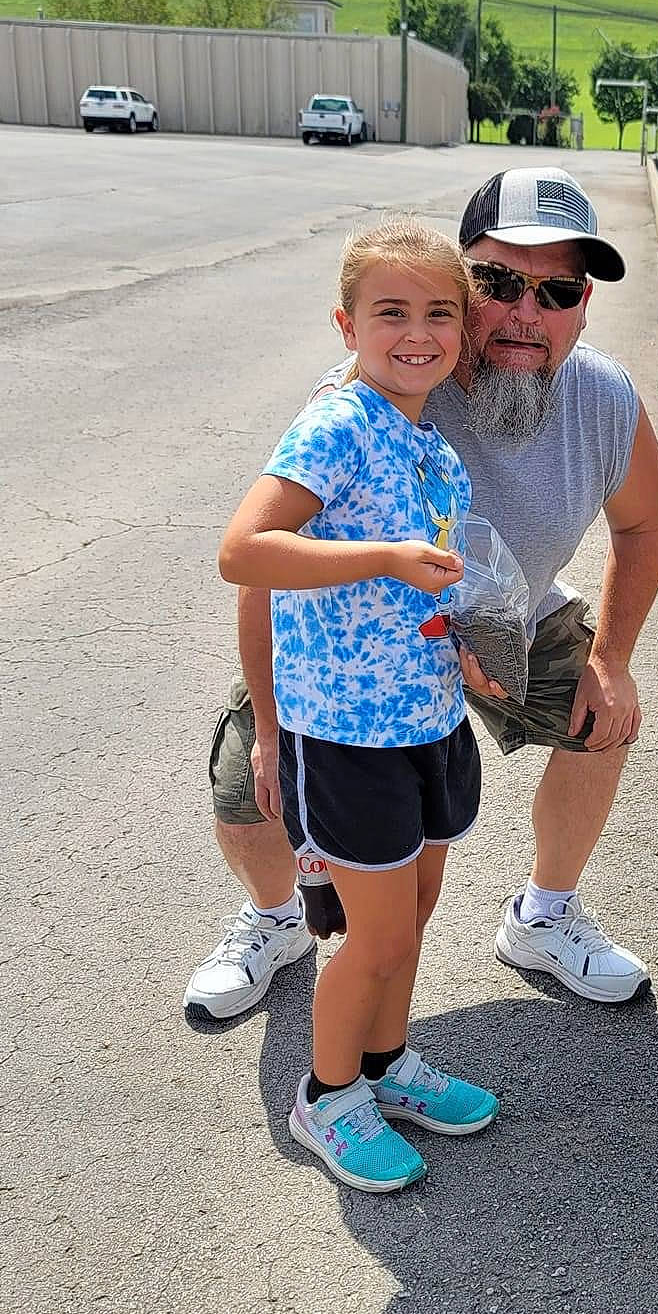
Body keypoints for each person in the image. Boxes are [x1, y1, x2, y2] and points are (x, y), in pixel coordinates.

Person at [185, 167, 658, 1020]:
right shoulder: (374, 392)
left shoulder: (605, 398)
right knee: (245, 783)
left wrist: (612, 658)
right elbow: (266, 562)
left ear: (583, 305)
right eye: (497, 282)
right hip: (355, 631)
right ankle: (278, 918)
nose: (527, 312)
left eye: (556, 290)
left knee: (606, 718)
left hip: (502, 611)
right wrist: (269, 725)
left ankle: (543, 917)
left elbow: (642, 529)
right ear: (456, 282)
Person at [217, 217, 501, 1192]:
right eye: (391, 311)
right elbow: (244, 549)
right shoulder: (338, 422)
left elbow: (422, 586)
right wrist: (379, 556)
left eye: (438, 313)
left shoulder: (433, 446)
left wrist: (467, 651)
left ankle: (386, 1066)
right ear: (348, 323)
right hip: (347, 732)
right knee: (374, 935)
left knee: (412, 914)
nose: (416, 332)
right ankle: (327, 1094)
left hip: (426, 717)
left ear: (461, 333)